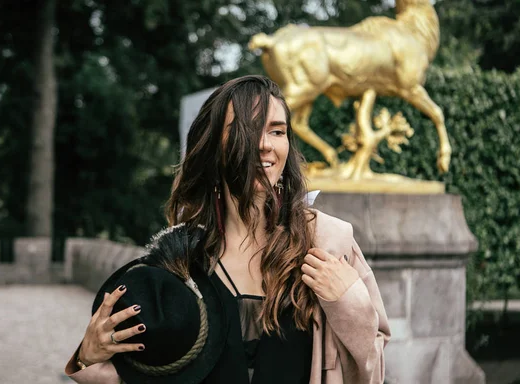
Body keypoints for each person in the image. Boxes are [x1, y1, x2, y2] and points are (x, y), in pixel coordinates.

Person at [65, 75, 391, 384]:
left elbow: (371, 369)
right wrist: (88, 359)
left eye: (277, 132)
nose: (265, 145)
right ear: (214, 147)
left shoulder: (328, 245)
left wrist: (349, 303)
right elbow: (146, 376)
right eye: (247, 131)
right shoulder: (180, 264)